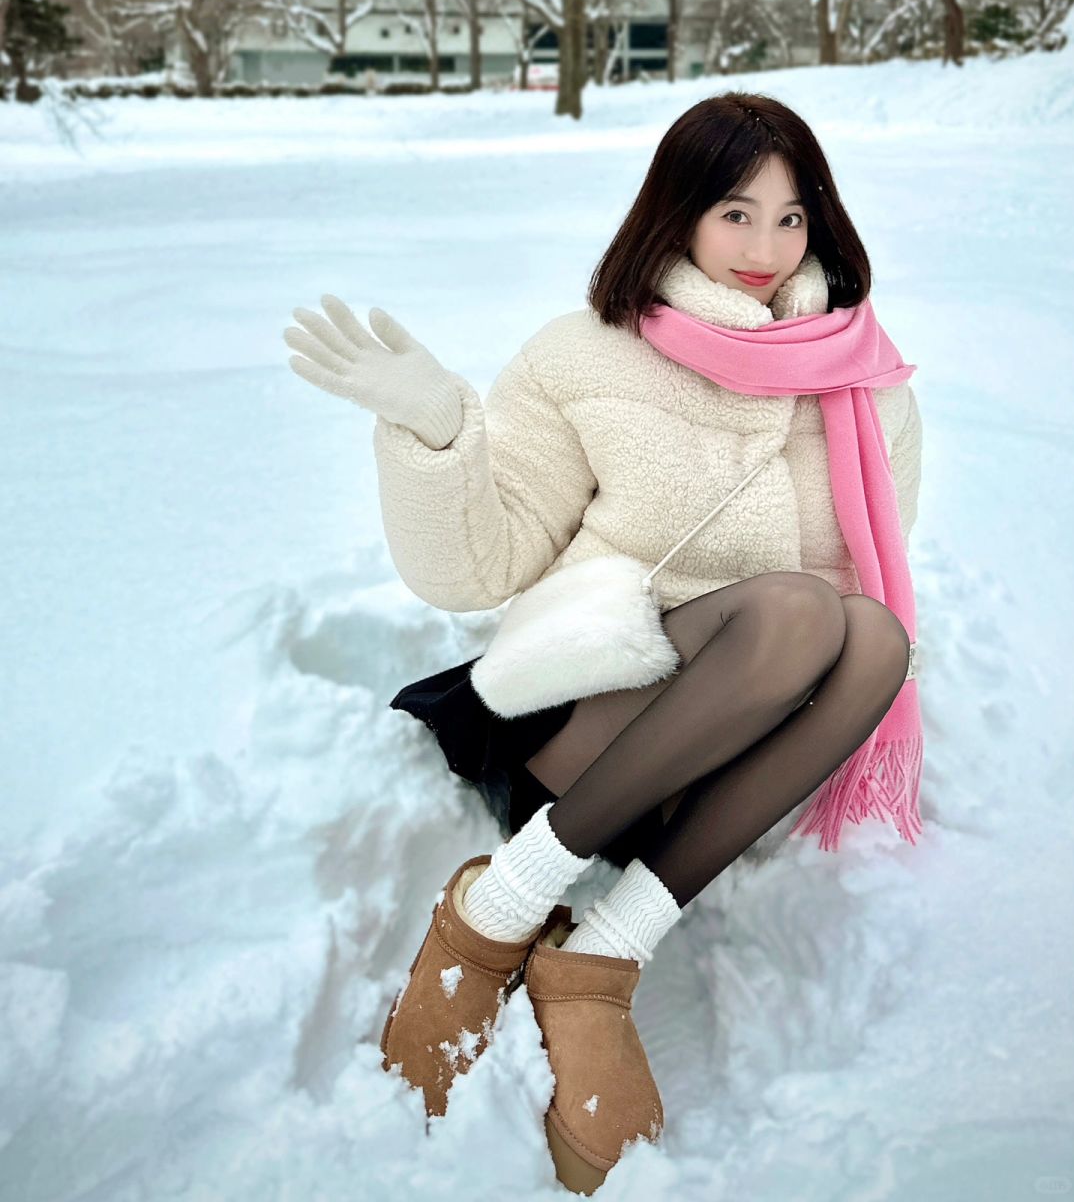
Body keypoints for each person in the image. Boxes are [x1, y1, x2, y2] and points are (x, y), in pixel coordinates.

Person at [283, 90, 923, 1194]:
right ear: (675, 214)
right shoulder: (589, 355)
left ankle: (604, 952)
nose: (766, 247)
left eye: (790, 216)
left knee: (869, 635)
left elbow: (878, 561)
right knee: (802, 612)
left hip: (733, 747)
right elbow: (479, 570)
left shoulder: (862, 375)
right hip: (584, 718)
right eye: (735, 213)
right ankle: (497, 907)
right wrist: (437, 431)